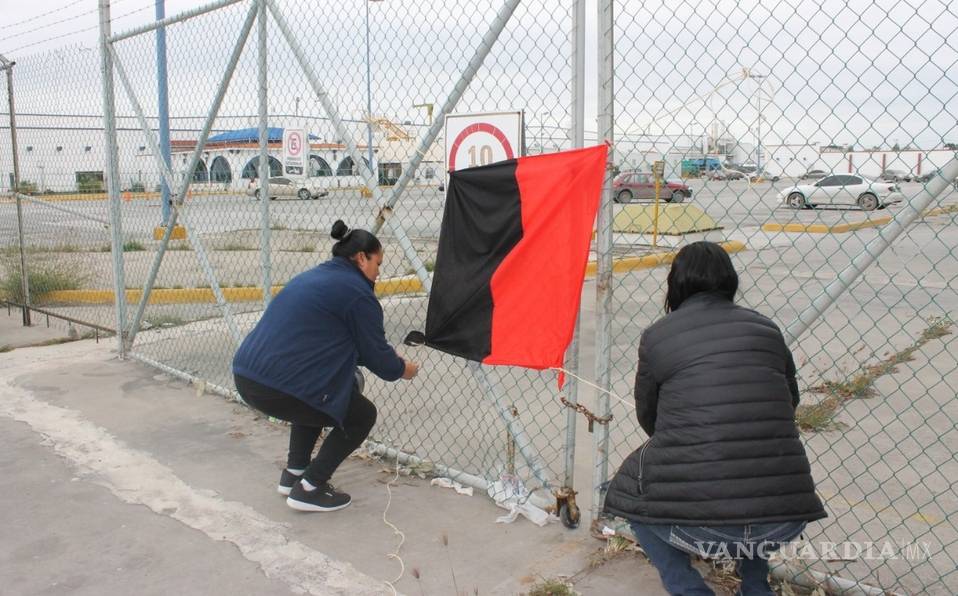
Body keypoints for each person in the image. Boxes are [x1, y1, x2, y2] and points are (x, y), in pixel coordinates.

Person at [603, 241, 826, 596]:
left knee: (625, 490)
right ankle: (756, 587)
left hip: (702, 528)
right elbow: (790, 401)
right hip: (783, 519)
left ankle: (690, 589)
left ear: (675, 284)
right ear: (730, 280)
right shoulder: (767, 329)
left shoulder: (658, 335)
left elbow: (650, 417)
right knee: (754, 472)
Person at [233, 219, 419, 512]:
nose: (379, 272)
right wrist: (404, 368)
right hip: (280, 387)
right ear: (361, 258)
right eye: (378, 264)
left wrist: (379, 356)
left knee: (324, 389)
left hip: (247, 377)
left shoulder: (314, 277)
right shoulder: (358, 294)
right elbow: (379, 361)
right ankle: (310, 488)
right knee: (361, 415)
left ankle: (294, 473)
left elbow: (336, 344)